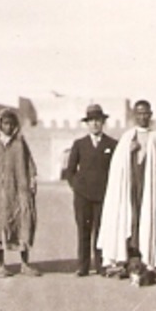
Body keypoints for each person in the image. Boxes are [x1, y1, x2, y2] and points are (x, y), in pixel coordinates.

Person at [99, 99, 156, 284]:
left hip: (149, 190)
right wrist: (127, 152)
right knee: (129, 224)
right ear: (134, 115)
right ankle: (128, 264)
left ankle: (148, 265)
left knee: (146, 224)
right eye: (138, 113)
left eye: (145, 113)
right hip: (130, 189)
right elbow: (117, 165)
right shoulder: (127, 137)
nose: (142, 116)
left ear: (151, 114)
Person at [61, 104, 117, 276]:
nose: (95, 124)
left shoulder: (112, 144)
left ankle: (101, 265)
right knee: (83, 230)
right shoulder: (79, 144)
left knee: (101, 231)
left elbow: (116, 170)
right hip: (83, 196)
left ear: (103, 122)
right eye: (91, 121)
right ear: (87, 123)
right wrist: (77, 187)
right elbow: (69, 171)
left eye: (98, 121)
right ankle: (83, 266)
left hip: (103, 196)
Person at [0, 108, 41, 277]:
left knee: (23, 224)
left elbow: (29, 164)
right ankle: (1, 265)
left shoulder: (20, 143)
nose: (8, 127)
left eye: (11, 124)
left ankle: (25, 264)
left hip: (19, 192)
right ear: (0, 124)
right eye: (5, 123)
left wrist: (31, 180)